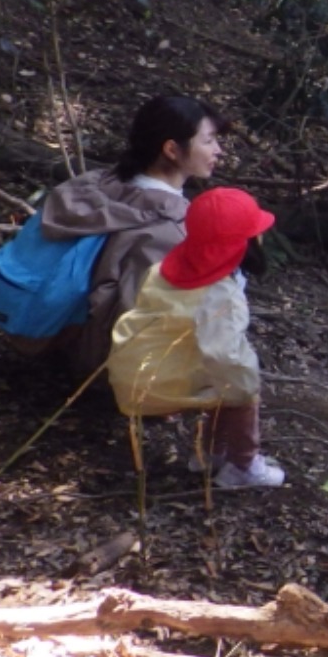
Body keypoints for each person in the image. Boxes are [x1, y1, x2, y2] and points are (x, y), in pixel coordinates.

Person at [32, 95, 223, 379]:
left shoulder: (97, 185)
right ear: (172, 149)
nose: (218, 150)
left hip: (42, 331)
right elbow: (136, 314)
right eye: (208, 141)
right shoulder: (168, 229)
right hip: (96, 362)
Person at [108, 186, 284, 490]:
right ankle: (243, 466)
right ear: (240, 244)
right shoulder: (221, 296)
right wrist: (247, 384)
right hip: (161, 381)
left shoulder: (164, 269)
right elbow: (226, 356)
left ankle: (209, 455)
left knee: (219, 380)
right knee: (241, 389)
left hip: (136, 367)